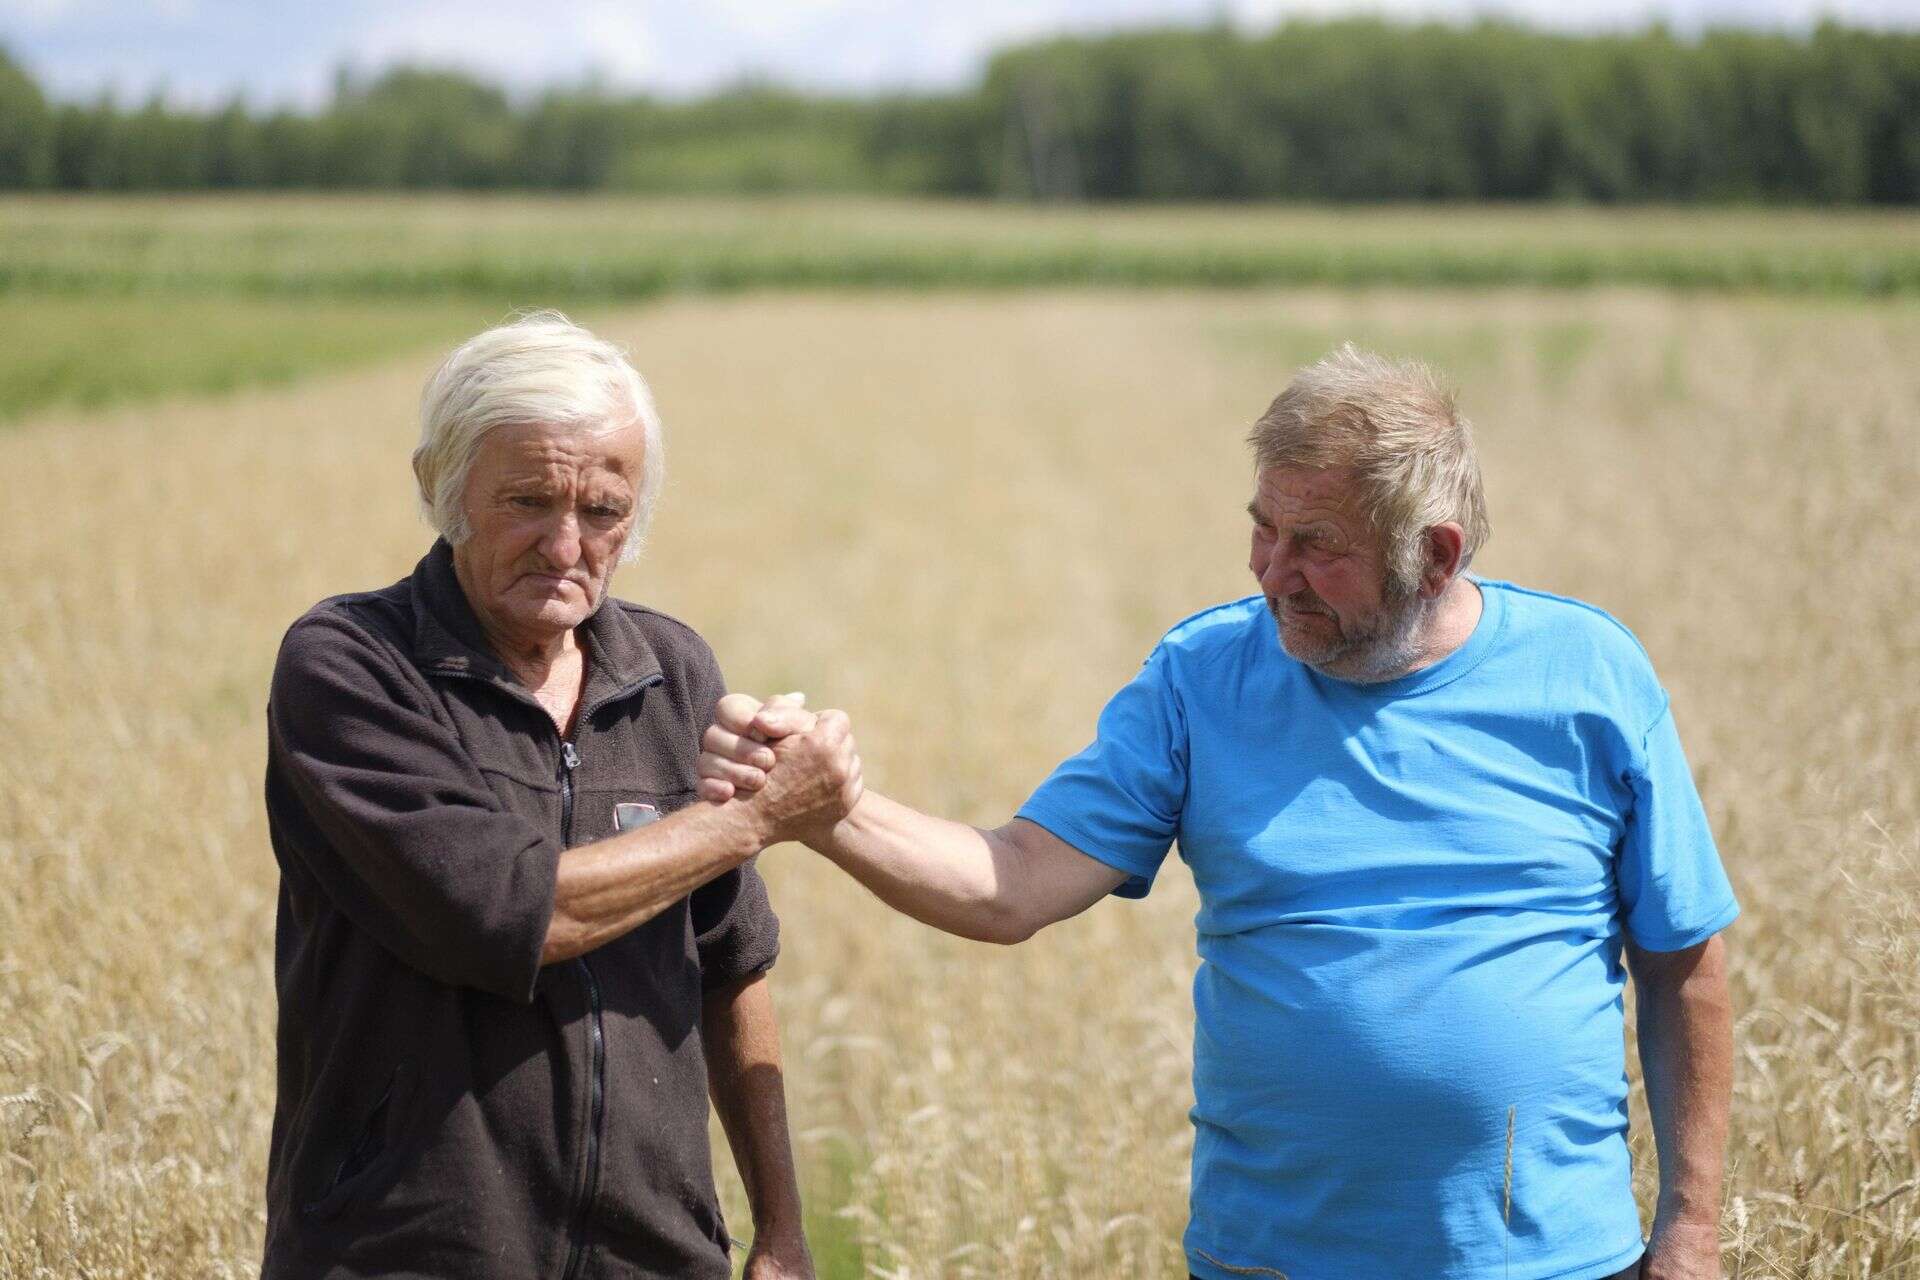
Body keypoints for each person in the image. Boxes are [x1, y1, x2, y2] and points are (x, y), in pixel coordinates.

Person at [700, 345, 1737, 1280]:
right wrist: (828, 811)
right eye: (1261, 527)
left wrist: (1690, 1232)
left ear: (1438, 552)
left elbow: (1684, 958)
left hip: (1553, 1260)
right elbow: (1013, 881)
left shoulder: (1588, 674)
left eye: (1316, 544)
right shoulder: (1203, 677)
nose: (1270, 572)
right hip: (1273, 1260)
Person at [261, 313, 857, 1280]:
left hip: (656, 1255)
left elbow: (731, 963)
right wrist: (750, 818)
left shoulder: (670, 670)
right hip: (408, 1251)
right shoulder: (353, 668)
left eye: (605, 510)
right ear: (439, 489)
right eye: (529, 501)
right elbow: (510, 913)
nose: (566, 544)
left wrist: (782, 1233)